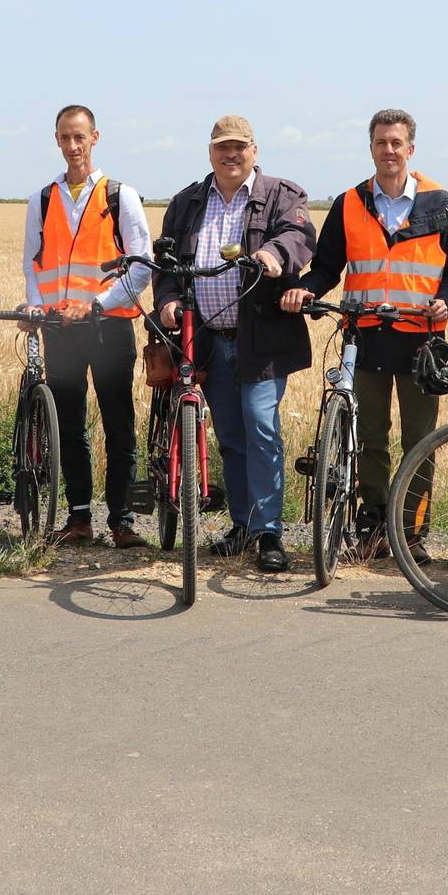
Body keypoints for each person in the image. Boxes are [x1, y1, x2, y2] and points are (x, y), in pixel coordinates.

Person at [282, 108, 448, 560]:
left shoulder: (438, 203)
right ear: (371, 148)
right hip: (363, 336)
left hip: (421, 339)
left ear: (410, 149)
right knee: (369, 437)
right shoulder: (349, 203)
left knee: (419, 441)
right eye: (381, 142)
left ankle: (411, 533)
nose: (389, 150)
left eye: (396, 142)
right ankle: (374, 523)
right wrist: (304, 290)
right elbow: (327, 266)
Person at [156, 115, 316, 573]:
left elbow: (298, 235)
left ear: (255, 150)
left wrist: (273, 254)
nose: (231, 154)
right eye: (222, 147)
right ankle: (243, 523)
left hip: (261, 338)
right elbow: (166, 260)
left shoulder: (284, 194)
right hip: (205, 337)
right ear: (210, 152)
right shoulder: (188, 201)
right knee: (229, 436)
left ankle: (269, 532)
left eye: (239, 147)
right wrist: (168, 299)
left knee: (260, 426)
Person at [23, 105, 153, 548]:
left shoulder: (120, 196)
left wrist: (96, 304)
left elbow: (141, 268)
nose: (73, 146)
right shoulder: (43, 198)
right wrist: (36, 307)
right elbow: (32, 263)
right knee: (70, 426)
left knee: (119, 426)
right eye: (65, 138)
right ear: (56, 140)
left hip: (109, 327)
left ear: (95, 137)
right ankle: (79, 518)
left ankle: (121, 520)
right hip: (60, 329)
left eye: (80, 137)